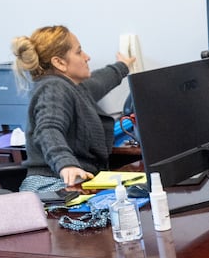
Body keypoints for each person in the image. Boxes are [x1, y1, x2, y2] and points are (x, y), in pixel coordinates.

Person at [11, 26, 129, 191]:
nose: (87, 57)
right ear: (59, 62)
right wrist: (65, 164)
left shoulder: (73, 88)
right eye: (79, 52)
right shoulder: (53, 87)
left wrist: (123, 66)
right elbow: (48, 129)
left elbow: (99, 82)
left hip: (73, 182)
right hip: (53, 185)